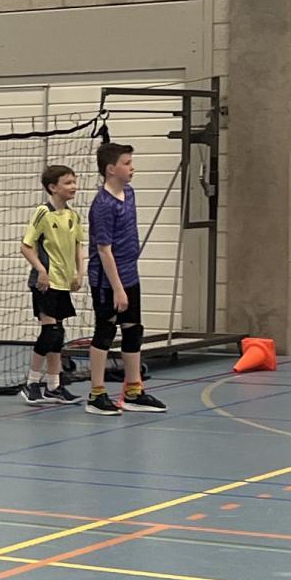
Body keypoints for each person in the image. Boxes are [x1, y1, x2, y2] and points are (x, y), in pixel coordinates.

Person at [83, 141, 165, 416]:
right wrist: (118, 289)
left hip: (130, 274)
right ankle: (96, 394)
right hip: (107, 281)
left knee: (133, 330)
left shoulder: (129, 193)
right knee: (105, 332)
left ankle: (133, 391)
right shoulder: (103, 205)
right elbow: (104, 250)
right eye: (126, 163)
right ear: (111, 169)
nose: (132, 168)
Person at [21, 165, 82, 408]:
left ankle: (54, 386)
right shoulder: (43, 212)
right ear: (52, 187)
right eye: (68, 183)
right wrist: (42, 271)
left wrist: (79, 272)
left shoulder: (72, 215)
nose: (73, 186)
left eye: (74, 181)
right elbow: (26, 246)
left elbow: (78, 245)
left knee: (58, 334)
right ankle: (31, 383)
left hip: (63, 283)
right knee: (50, 332)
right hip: (45, 284)